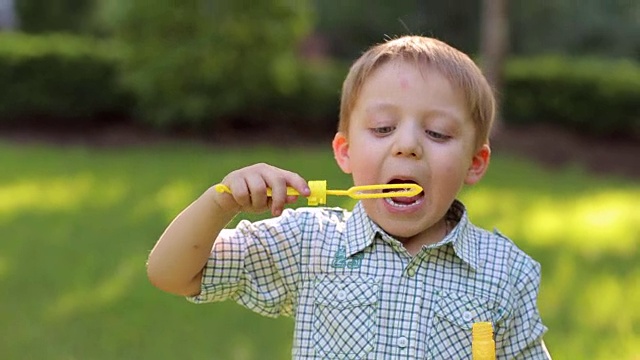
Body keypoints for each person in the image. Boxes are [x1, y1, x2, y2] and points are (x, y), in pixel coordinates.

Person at [147, 35, 551, 359]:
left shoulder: (505, 273)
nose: (407, 146)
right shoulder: (309, 244)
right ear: (345, 151)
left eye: (438, 133)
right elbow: (172, 274)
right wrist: (221, 202)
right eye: (382, 128)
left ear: (475, 163)